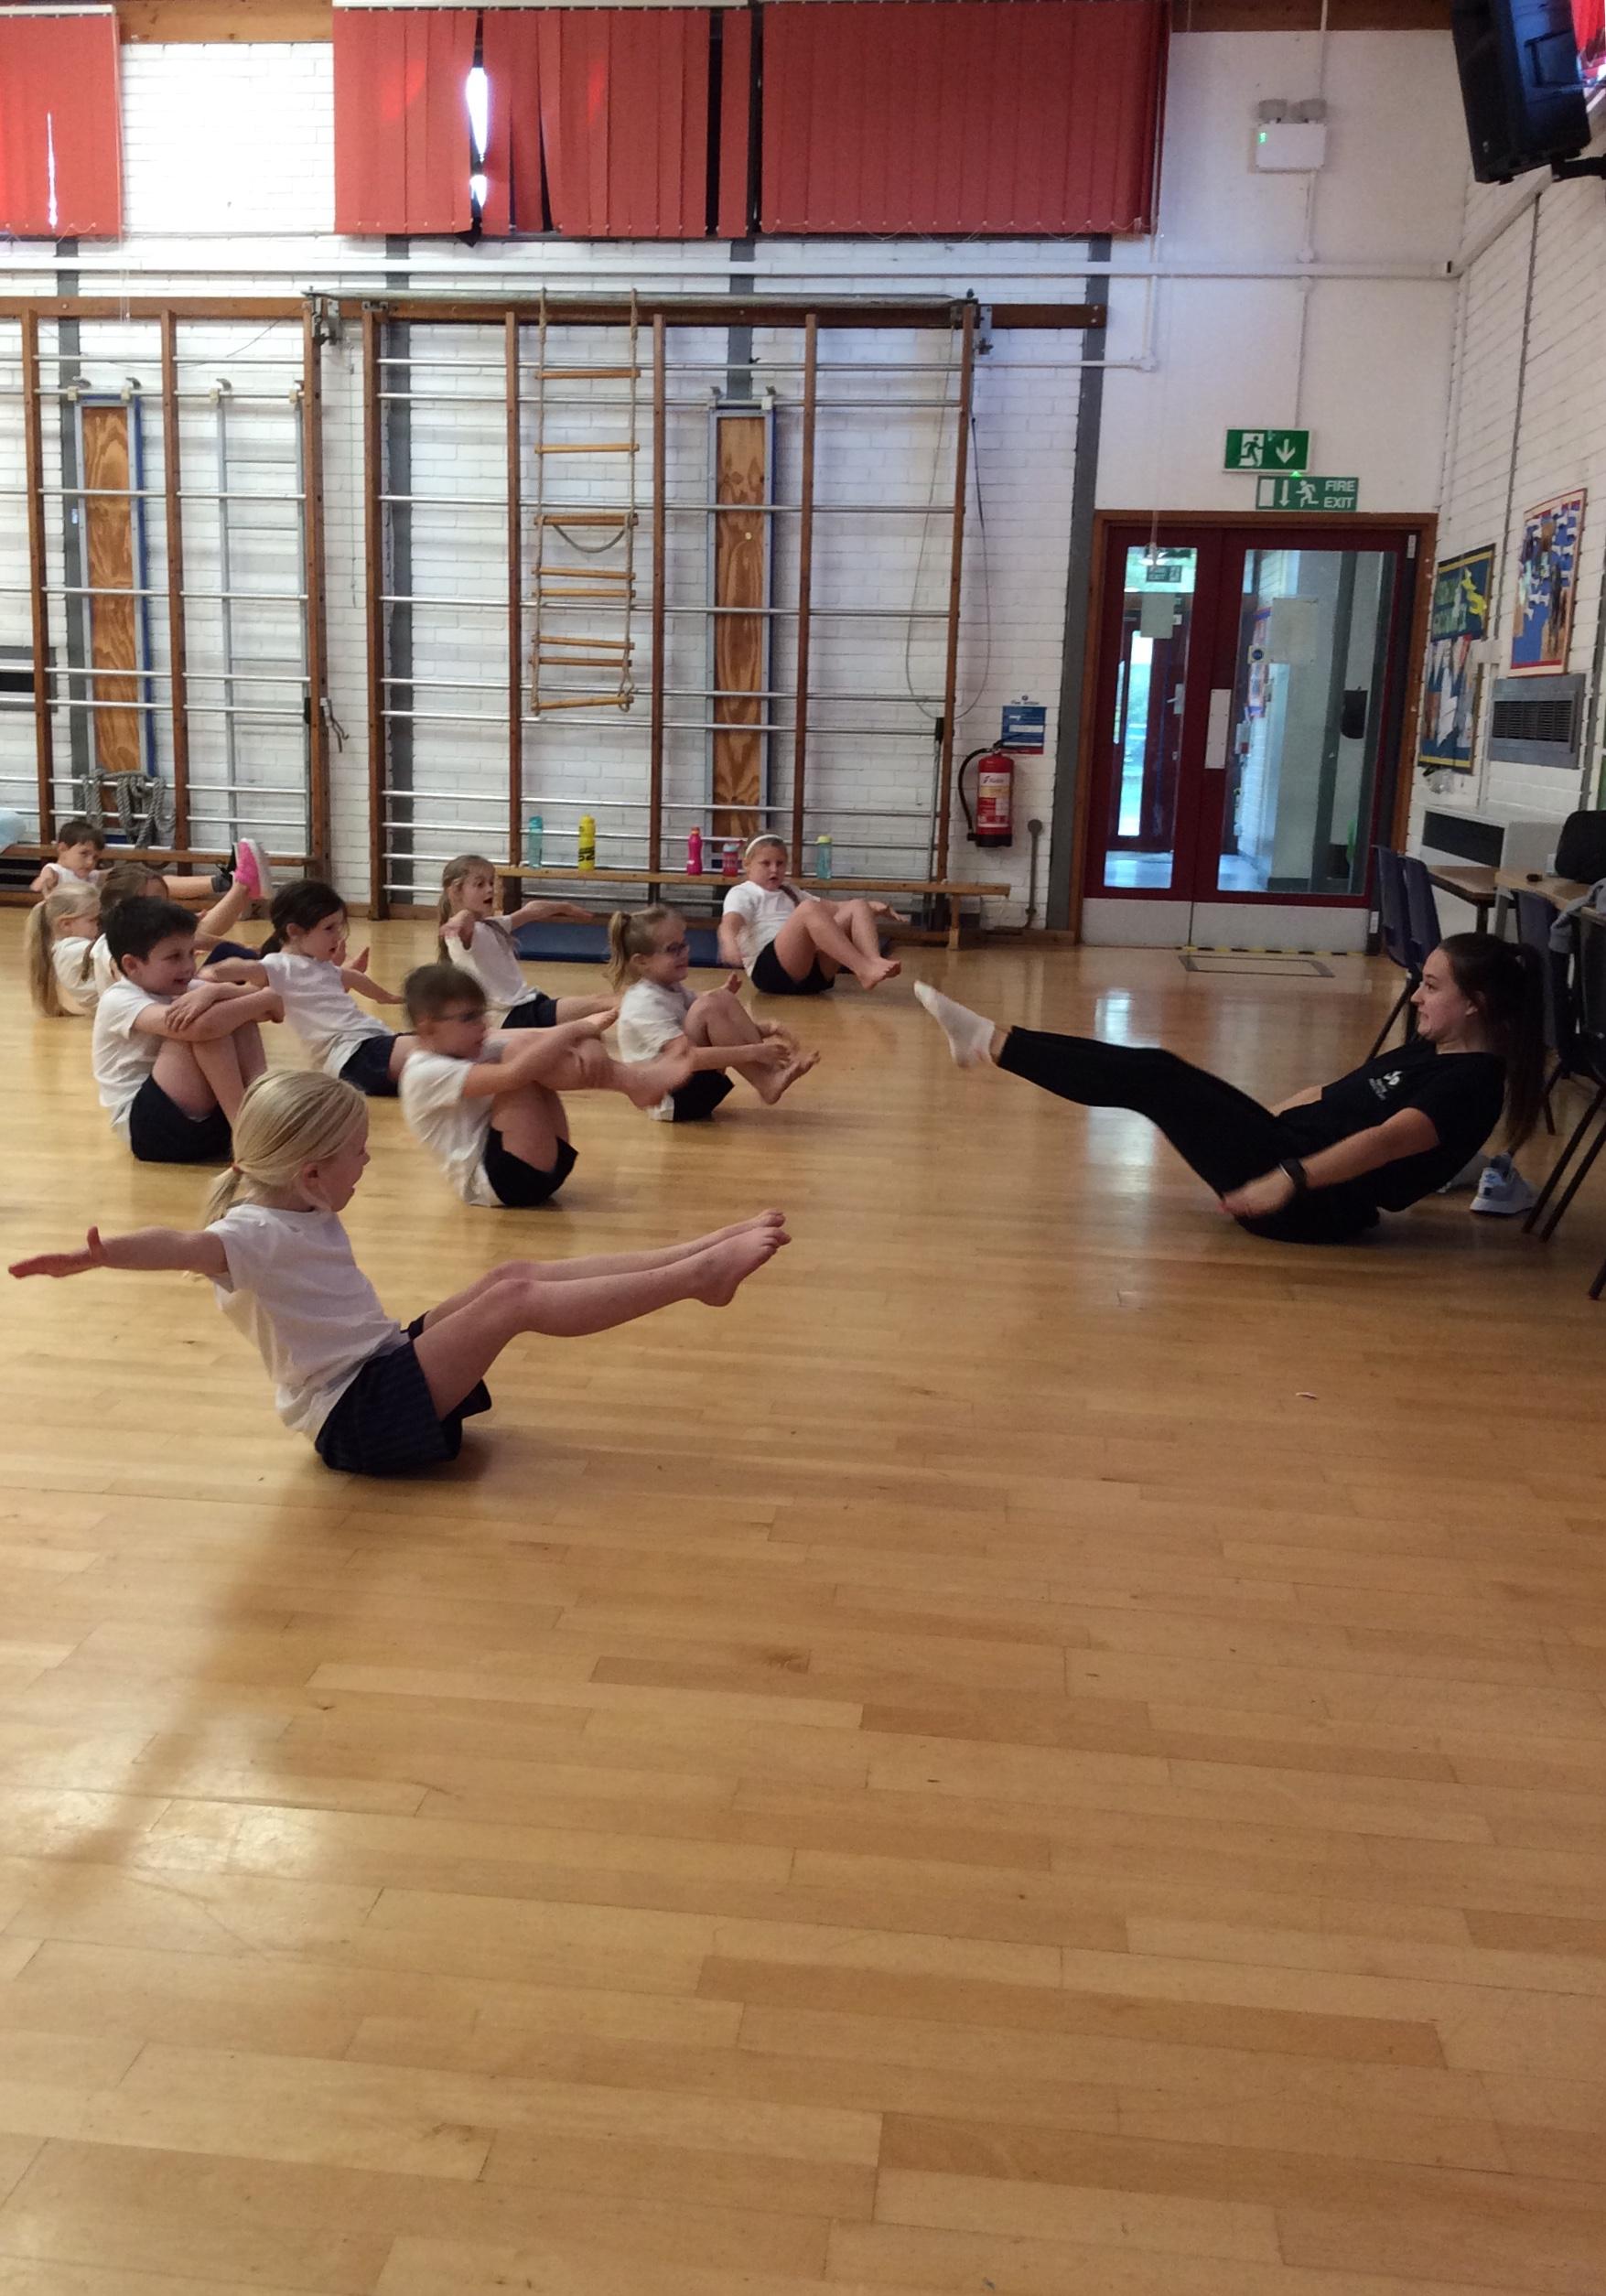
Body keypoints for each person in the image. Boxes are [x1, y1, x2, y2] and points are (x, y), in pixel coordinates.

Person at [9, 1069, 791, 1475]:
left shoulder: (296, 1203)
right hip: (358, 1419)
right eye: (357, 1153)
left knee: (510, 1273)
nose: (367, 1161)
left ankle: (696, 1254)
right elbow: (184, 1245)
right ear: (312, 1173)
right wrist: (105, 1254)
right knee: (516, 1300)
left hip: (380, 1366)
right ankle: (697, 1278)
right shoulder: (251, 1232)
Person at [914, 933, 1545, 1245]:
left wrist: (1283, 1179)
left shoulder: (1469, 1084)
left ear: (1476, 1003)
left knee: (1154, 1077)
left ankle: (988, 1043)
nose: (1416, 997)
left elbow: (1383, 1142)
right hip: (1282, 1149)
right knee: (1158, 1070)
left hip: (1310, 1206)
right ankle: (991, 1040)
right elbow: (1334, 1094)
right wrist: (1244, 1117)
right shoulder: (1435, 1047)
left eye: (1431, 987)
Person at [397, 963, 695, 1208]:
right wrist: (578, 1028)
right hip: (500, 1183)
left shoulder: (466, 1047)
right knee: (522, 1058)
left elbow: (542, 1038)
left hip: (538, 1165)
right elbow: (514, 1075)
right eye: (469, 1018)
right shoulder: (423, 1072)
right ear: (428, 1026)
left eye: (482, 1013)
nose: (483, 1024)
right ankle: (636, 1082)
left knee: (529, 1047)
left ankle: (634, 1081)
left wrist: (588, 1039)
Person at [91, 896, 283, 1164]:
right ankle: (246, 1131)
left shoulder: (188, 988)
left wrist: (218, 991)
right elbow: (205, 1028)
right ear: (132, 965)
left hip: (206, 1123)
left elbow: (270, 1012)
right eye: (174, 957)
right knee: (202, 1024)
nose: (188, 966)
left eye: (191, 953)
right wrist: (265, 997)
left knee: (234, 1016)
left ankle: (261, 1111)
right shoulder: (118, 999)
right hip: (153, 1130)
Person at [608, 905, 819, 1121]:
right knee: (709, 1005)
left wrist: (767, 1028)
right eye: (673, 949)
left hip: (692, 1088)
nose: (684, 953)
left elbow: (717, 1030)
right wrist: (753, 1051)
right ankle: (766, 1080)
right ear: (641, 961)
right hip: (671, 1101)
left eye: (684, 944)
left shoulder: (671, 988)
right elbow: (686, 1057)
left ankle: (770, 1074)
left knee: (720, 998)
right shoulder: (643, 1004)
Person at [223, 879, 415, 1096]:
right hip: (352, 1056)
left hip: (370, 1043)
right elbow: (248, 968)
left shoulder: (321, 965)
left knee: (441, 1042)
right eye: (329, 928)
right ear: (294, 931)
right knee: (433, 1047)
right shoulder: (279, 965)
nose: (338, 936)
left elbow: (353, 978)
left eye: (339, 927)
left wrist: (386, 997)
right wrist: (214, 973)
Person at [437, 853, 610, 1028]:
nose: (489, 889)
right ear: (455, 892)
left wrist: (563, 907)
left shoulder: (493, 925)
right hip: (507, 1017)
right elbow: (465, 918)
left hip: (525, 1004)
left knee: (592, 1027)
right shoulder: (461, 934)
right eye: (479, 884)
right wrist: (459, 918)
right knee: (600, 1002)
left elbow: (532, 910)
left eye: (491, 883)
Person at [717, 835, 901, 996]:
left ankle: (873, 960)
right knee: (808, 909)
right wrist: (729, 943)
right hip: (771, 973)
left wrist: (872, 907)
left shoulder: (789, 891)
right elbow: (730, 922)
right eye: (766, 863)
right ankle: (862, 968)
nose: (774, 869)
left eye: (780, 864)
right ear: (747, 865)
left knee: (857, 905)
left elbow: (835, 907)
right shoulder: (743, 892)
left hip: (812, 975)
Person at [91, 856, 263, 995]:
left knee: (232, 954)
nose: (162, 908)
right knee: (225, 969)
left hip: (171, 998)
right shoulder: (109, 943)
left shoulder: (152, 933)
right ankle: (242, 885)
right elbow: (122, 976)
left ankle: (242, 886)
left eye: (164, 901)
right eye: (154, 902)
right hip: (155, 1011)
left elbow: (199, 940)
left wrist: (246, 949)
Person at [25, 884, 102, 1017]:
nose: (101, 924)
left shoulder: (66, 948)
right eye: (94, 920)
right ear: (66, 924)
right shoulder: (70, 950)